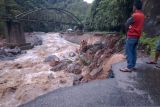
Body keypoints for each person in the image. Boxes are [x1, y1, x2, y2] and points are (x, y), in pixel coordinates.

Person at [120, 0, 145, 72]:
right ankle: (133, 65)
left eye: (133, 6)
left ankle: (129, 67)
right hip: (137, 36)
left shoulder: (135, 15)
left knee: (129, 51)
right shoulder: (142, 16)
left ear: (135, 7)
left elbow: (127, 24)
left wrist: (128, 30)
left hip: (131, 36)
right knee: (134, 51)